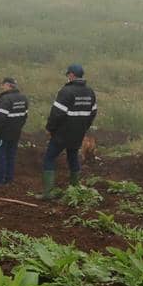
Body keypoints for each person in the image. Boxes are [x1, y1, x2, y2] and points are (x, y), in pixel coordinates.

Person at [42, 64, 97, 199]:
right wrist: (83, 128)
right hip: (78, 134)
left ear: (71, 75)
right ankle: (75, 189)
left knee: (49, 158)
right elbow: (93, 113)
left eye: (68, 75)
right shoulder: (90, 92)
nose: (67, 77)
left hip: (62, 133)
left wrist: (50, 129)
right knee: (72, 157)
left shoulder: (66, 91)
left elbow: (56, 114)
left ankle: (48, 192)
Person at [0, 77, 28, 187]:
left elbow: (0, 119)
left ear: (7, 85)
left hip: (3, 134)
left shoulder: (5, 99)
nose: (2, 87)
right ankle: (9, 180)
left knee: (1, 156)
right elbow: (25, 116)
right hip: (16, 133)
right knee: (11, 156)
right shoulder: (23, 98)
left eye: (3, 84)